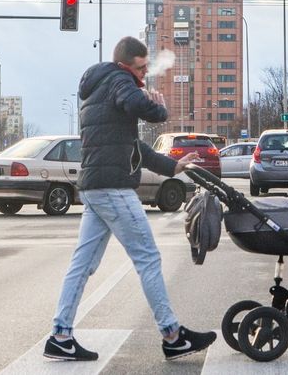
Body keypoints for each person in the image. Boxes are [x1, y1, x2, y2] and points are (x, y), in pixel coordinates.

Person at [44, 36, 216, 363]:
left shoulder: (97, 89)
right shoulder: (120, 82)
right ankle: (172, 335)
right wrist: (157, 104)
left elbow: (132, 146)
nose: (144, 72)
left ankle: (60, 336)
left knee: (82, 264)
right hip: (113, 188)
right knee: (148, 258)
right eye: (141, 67)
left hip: (94, 186)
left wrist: (172, 166)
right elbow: (140, 107)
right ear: (126, 64)